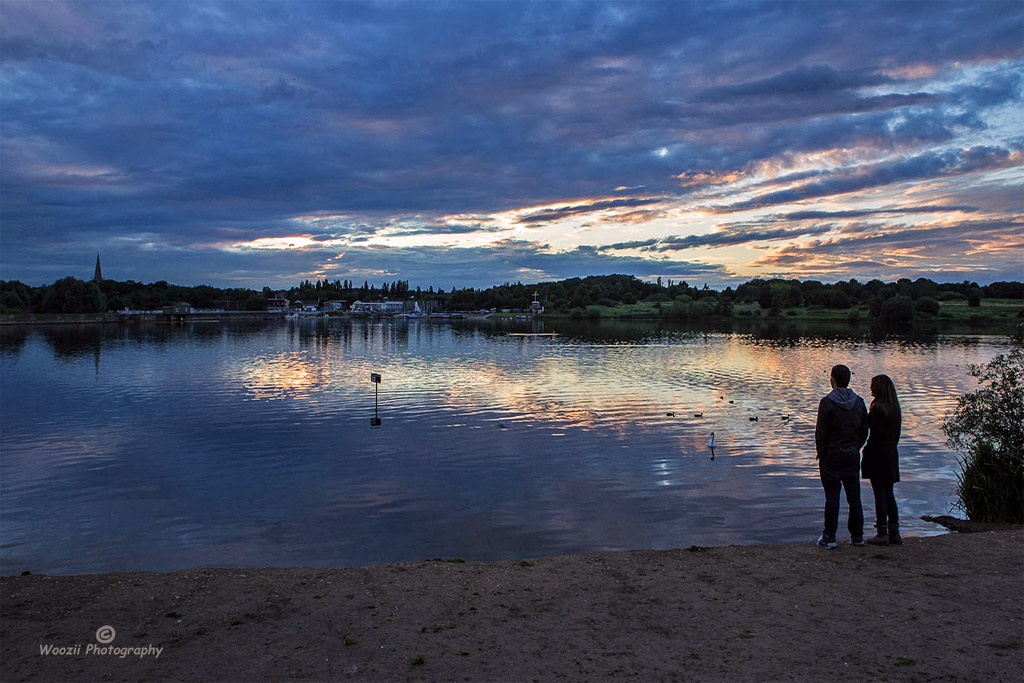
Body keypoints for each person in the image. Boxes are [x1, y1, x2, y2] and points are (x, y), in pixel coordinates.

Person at [814, 364, 868, 548]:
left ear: (833, 380)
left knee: (832, 497)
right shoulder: (859, 402)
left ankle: (829, 537)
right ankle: (858, 536)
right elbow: (864, 430)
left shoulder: (827, 403)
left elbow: (820, 433)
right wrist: (855, 447)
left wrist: (821, 453)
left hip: (831, 457)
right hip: (852, 455)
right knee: (854, 497)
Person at [861, 374, 902, 545]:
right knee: (889, 494)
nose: (870, 388)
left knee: (880, 494)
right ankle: (895, 533)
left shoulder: (877, 409)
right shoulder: (894, 410)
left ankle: (882, 533)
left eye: (872, 386)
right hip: (891, 454)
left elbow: (874, 435)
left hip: (878, 455)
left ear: (878, 388)